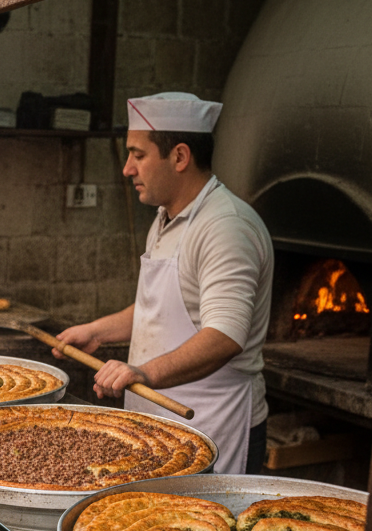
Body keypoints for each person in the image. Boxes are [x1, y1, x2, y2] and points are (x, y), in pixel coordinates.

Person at [54, 92, 273, 474]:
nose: (126, 169)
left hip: (211, 425)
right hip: (157, 423)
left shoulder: (225, 227)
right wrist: (97, 331)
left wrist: (145, 372)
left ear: (180, 157)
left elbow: (225, 334)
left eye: (138, 155)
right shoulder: (166, 217)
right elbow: (163, 307)